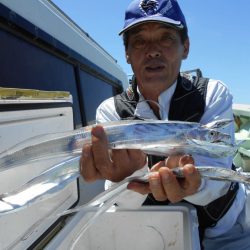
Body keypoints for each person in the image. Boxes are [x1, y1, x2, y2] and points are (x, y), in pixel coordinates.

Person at [80, 0, 250, 249]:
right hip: (157, 235)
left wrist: (197, 181)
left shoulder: (212, 93)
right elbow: (121, 203)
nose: (153, 51)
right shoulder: (110, 111)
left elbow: (218, 170)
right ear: (127, 53)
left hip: (228, 234)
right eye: (139, 41)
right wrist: (126, 180)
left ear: (186, 47)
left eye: (167, 38)